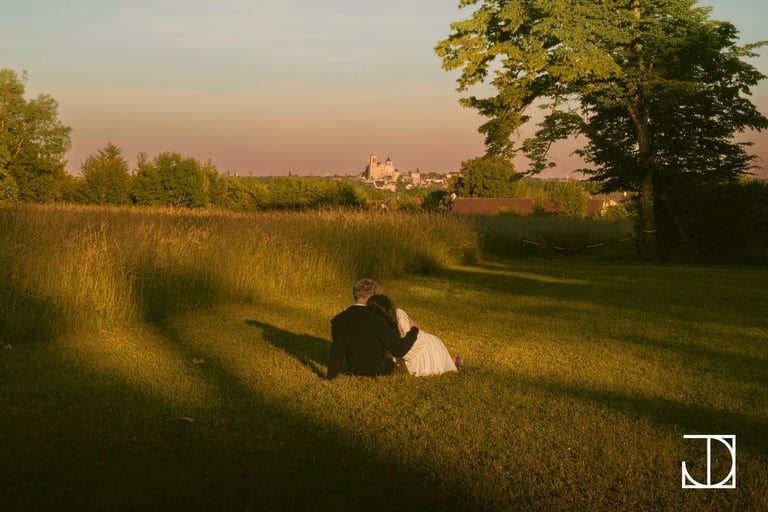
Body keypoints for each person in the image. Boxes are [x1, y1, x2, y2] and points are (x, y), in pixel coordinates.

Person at [326, 278, 420, 380]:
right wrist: (414, 330)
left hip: (356, 372)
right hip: (382, 372)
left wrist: (330, 377)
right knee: (414, 361)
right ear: (372, 296)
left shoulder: (339, 319)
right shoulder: (379, 318)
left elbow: (337, 352)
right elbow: (399, 350)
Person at [366, 294, 460, 377]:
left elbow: (408, 350)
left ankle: (445, 361)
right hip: (431, 344)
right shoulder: (392, 318)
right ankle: (447, 361)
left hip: (423, 348)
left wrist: (414, 330)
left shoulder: (397, 317)